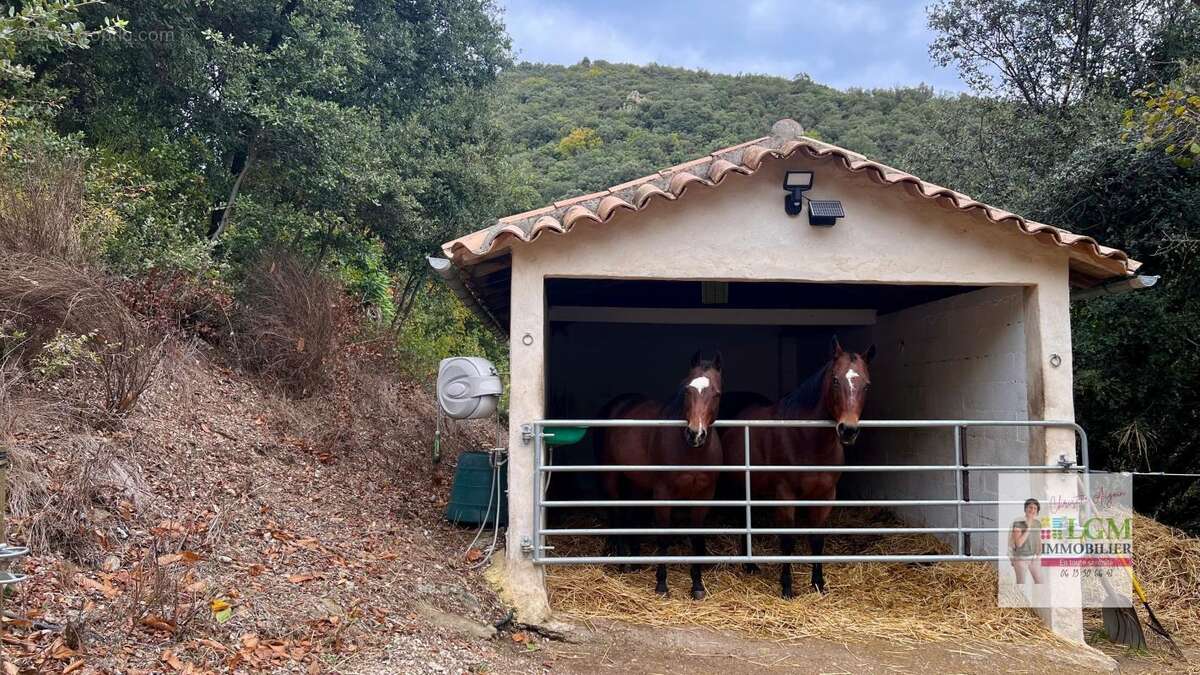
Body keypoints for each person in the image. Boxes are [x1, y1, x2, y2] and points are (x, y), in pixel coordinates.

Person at [1008, 498, 1044, 584]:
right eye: (1030, 507)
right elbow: (1019, 543)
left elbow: (1038, 539)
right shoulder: (1018, 523)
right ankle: (1019, 598)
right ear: (1025, 509)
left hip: (1034, 558)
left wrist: (1039, 554)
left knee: (1040, 582)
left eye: (1035, 508)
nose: (1032, 510)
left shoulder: (1038, 523)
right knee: (1021, 583)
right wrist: (1028, 527)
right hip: (1021, 558)